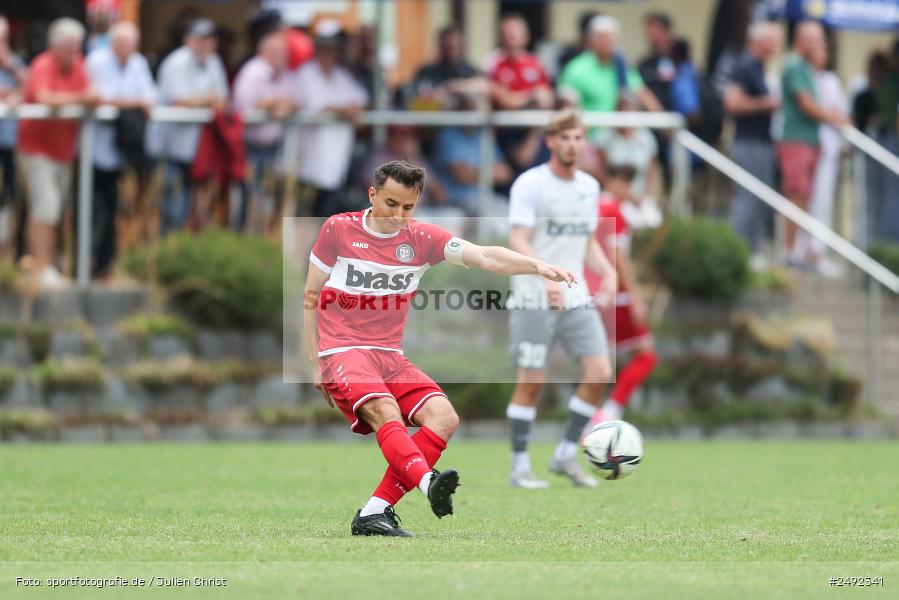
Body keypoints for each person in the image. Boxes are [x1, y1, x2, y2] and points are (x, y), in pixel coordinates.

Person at [304, 160, 581, 536]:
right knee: (384, 409)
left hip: (389, 357)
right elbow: (311, 296)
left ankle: (374, 512)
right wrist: (314, 363)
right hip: (342, 352)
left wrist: (537, 266)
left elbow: (486, 256)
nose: (398, 215)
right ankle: (426, 482)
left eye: (408, 207)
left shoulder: (421, 238)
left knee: (444, 417)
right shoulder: (338, 228)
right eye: (390, 204)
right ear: (372, 195)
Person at [504, 109, 617, 489]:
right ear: (551, 141)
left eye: (578, 138)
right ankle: (520, 466)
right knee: (531, 381)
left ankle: (566, 453)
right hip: (534, 297)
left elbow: (585, 242)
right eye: (564, 138)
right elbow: (518, 238)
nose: (572, 145)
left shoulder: (589, 186)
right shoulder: (530, 184)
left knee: (600, 371)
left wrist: (610, 271)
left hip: (575, 295)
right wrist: (543, 272)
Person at [17, 18, 98, 288]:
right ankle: (41, 268)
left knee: (54, 210)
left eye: (78, 47)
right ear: (57, 46)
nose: (77, 52)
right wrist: (79, 99)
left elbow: (93, 95)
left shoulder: (79, 66)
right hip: (36, 150)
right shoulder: (42, 64)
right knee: (45, 209)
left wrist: (83, 98)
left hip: (64, 152)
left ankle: (44, 265)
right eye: (72, 47)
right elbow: (44, 98)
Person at [585, 164, 657, 426]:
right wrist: (636, 296)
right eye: (625, 183)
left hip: (593, 293)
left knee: (599, 362)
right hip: (617, 295)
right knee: (645, 355)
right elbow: (619, 258)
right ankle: (609, 412)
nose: (628, 190)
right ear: (612, 182)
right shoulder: (614, 210)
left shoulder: (592, 208)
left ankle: (590, 418)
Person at [85, 22, 157, 278]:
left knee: (114, 209)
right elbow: (102, 97)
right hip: (93, 152)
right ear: (113, 43)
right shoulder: (96, 61)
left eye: (131, 45)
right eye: (123, 44)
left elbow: (150, 96)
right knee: (92, 210)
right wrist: (136, 102)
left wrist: (136, 102)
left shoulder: (137, 62)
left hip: (121, 154)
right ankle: (86, 264)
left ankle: (105, 264)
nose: (128, 49)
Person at [777, 20, 846, 266]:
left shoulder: (803, 67)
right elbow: (806, 104)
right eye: (816, 40)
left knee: (804, 196)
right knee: (796, 194)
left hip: (807, 141)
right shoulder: (795, 65)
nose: (819, 45)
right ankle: (790, 250)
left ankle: (799, 249)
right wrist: (835, 118)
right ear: (803, 39)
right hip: (796, 140)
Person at [155, 18, 228, 233]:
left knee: (197, 212)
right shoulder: (176, 62)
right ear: (189, 40)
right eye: (201, 39)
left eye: (210, 39)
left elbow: (223, 101)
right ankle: (169, 256)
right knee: (173, 210)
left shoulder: (214, 62)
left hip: (199, 150)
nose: (207, 44)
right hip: (173, 148)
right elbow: (178, 100)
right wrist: (207, 99)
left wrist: (205, 100)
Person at [294, 20, 368, 218]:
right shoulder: (305, 73)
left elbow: (360, 101)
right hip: (310, 166)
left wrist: (345, 109)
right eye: (325, 47)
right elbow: (320, 107)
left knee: (330, 216)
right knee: (308, 217)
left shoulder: (340, 74)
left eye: (334, 48)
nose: (330, 53)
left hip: (336, 164)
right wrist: (345, 110)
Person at [724, 21, 781, 268]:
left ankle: (752, 251)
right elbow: (733, 103)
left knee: (758, 200)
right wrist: (765, 103)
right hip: (747, 143)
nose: (774, 47)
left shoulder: (757, 67)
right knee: (748, 199)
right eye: (771, 42)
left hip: (761, 142)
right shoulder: (744, 66)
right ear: (758, 41)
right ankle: (736, 252)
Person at [233, 25, 297, 232]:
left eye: (284, 52)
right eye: (278, 52)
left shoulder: (285, 74)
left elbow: (295, 100)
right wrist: (273, 104)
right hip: (250, 147)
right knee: (247, 199)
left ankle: (261, 239)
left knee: (266, 198)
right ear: (265, 52)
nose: (283, 56)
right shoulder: (252, 72)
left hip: (273, 148)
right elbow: (243, 107)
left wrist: (282, 105)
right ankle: (243, 239)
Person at [795, 39, 847, 277]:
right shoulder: (800, 76)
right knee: (801, 198)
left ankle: (817, 252)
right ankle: (799, 250)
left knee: (822, 201)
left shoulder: (831, 81)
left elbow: (842, 114)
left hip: (826, 149)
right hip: (804, 145)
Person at [485, 13, 554, 192]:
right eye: (507, 33)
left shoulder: (535, 63)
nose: (511, 38)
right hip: (505, 134)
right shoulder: (494, 63)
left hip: (533, 132)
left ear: (526, 36)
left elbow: (545, 98)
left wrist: (518, 99)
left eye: (515, 33)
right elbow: (501, 99)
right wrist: (529, 97)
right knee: (512, 186)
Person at [557, 15, 662, 129]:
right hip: (588, 137)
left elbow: (643, 94)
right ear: (592, 40)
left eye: (610, 38)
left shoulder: (622, 67)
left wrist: (662, 121)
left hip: (617, 137)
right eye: (602, 38)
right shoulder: (576, 69)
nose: (606, 43)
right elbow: (566, 107)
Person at [594, 94, 660, 222]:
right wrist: (624, 194)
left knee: (651, 219)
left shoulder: (646, 138)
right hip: (613, 195)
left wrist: (647, 197)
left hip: (640, 196)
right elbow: (602, 173)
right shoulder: (604, 137)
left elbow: (652, 174)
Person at [406, 24, 487, 110]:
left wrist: (450, 87)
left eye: (455, 47)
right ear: (440, 45)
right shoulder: (426, 71)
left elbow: (483, 86)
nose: (452, 51)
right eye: (448, 47)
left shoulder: (469, 71)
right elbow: (415, 96)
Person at [0, 15, 26, 249]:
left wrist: (10, 65)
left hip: (10, 142)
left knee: (11, 196)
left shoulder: (14, 62)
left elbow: (30, 87)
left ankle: (9, 253)